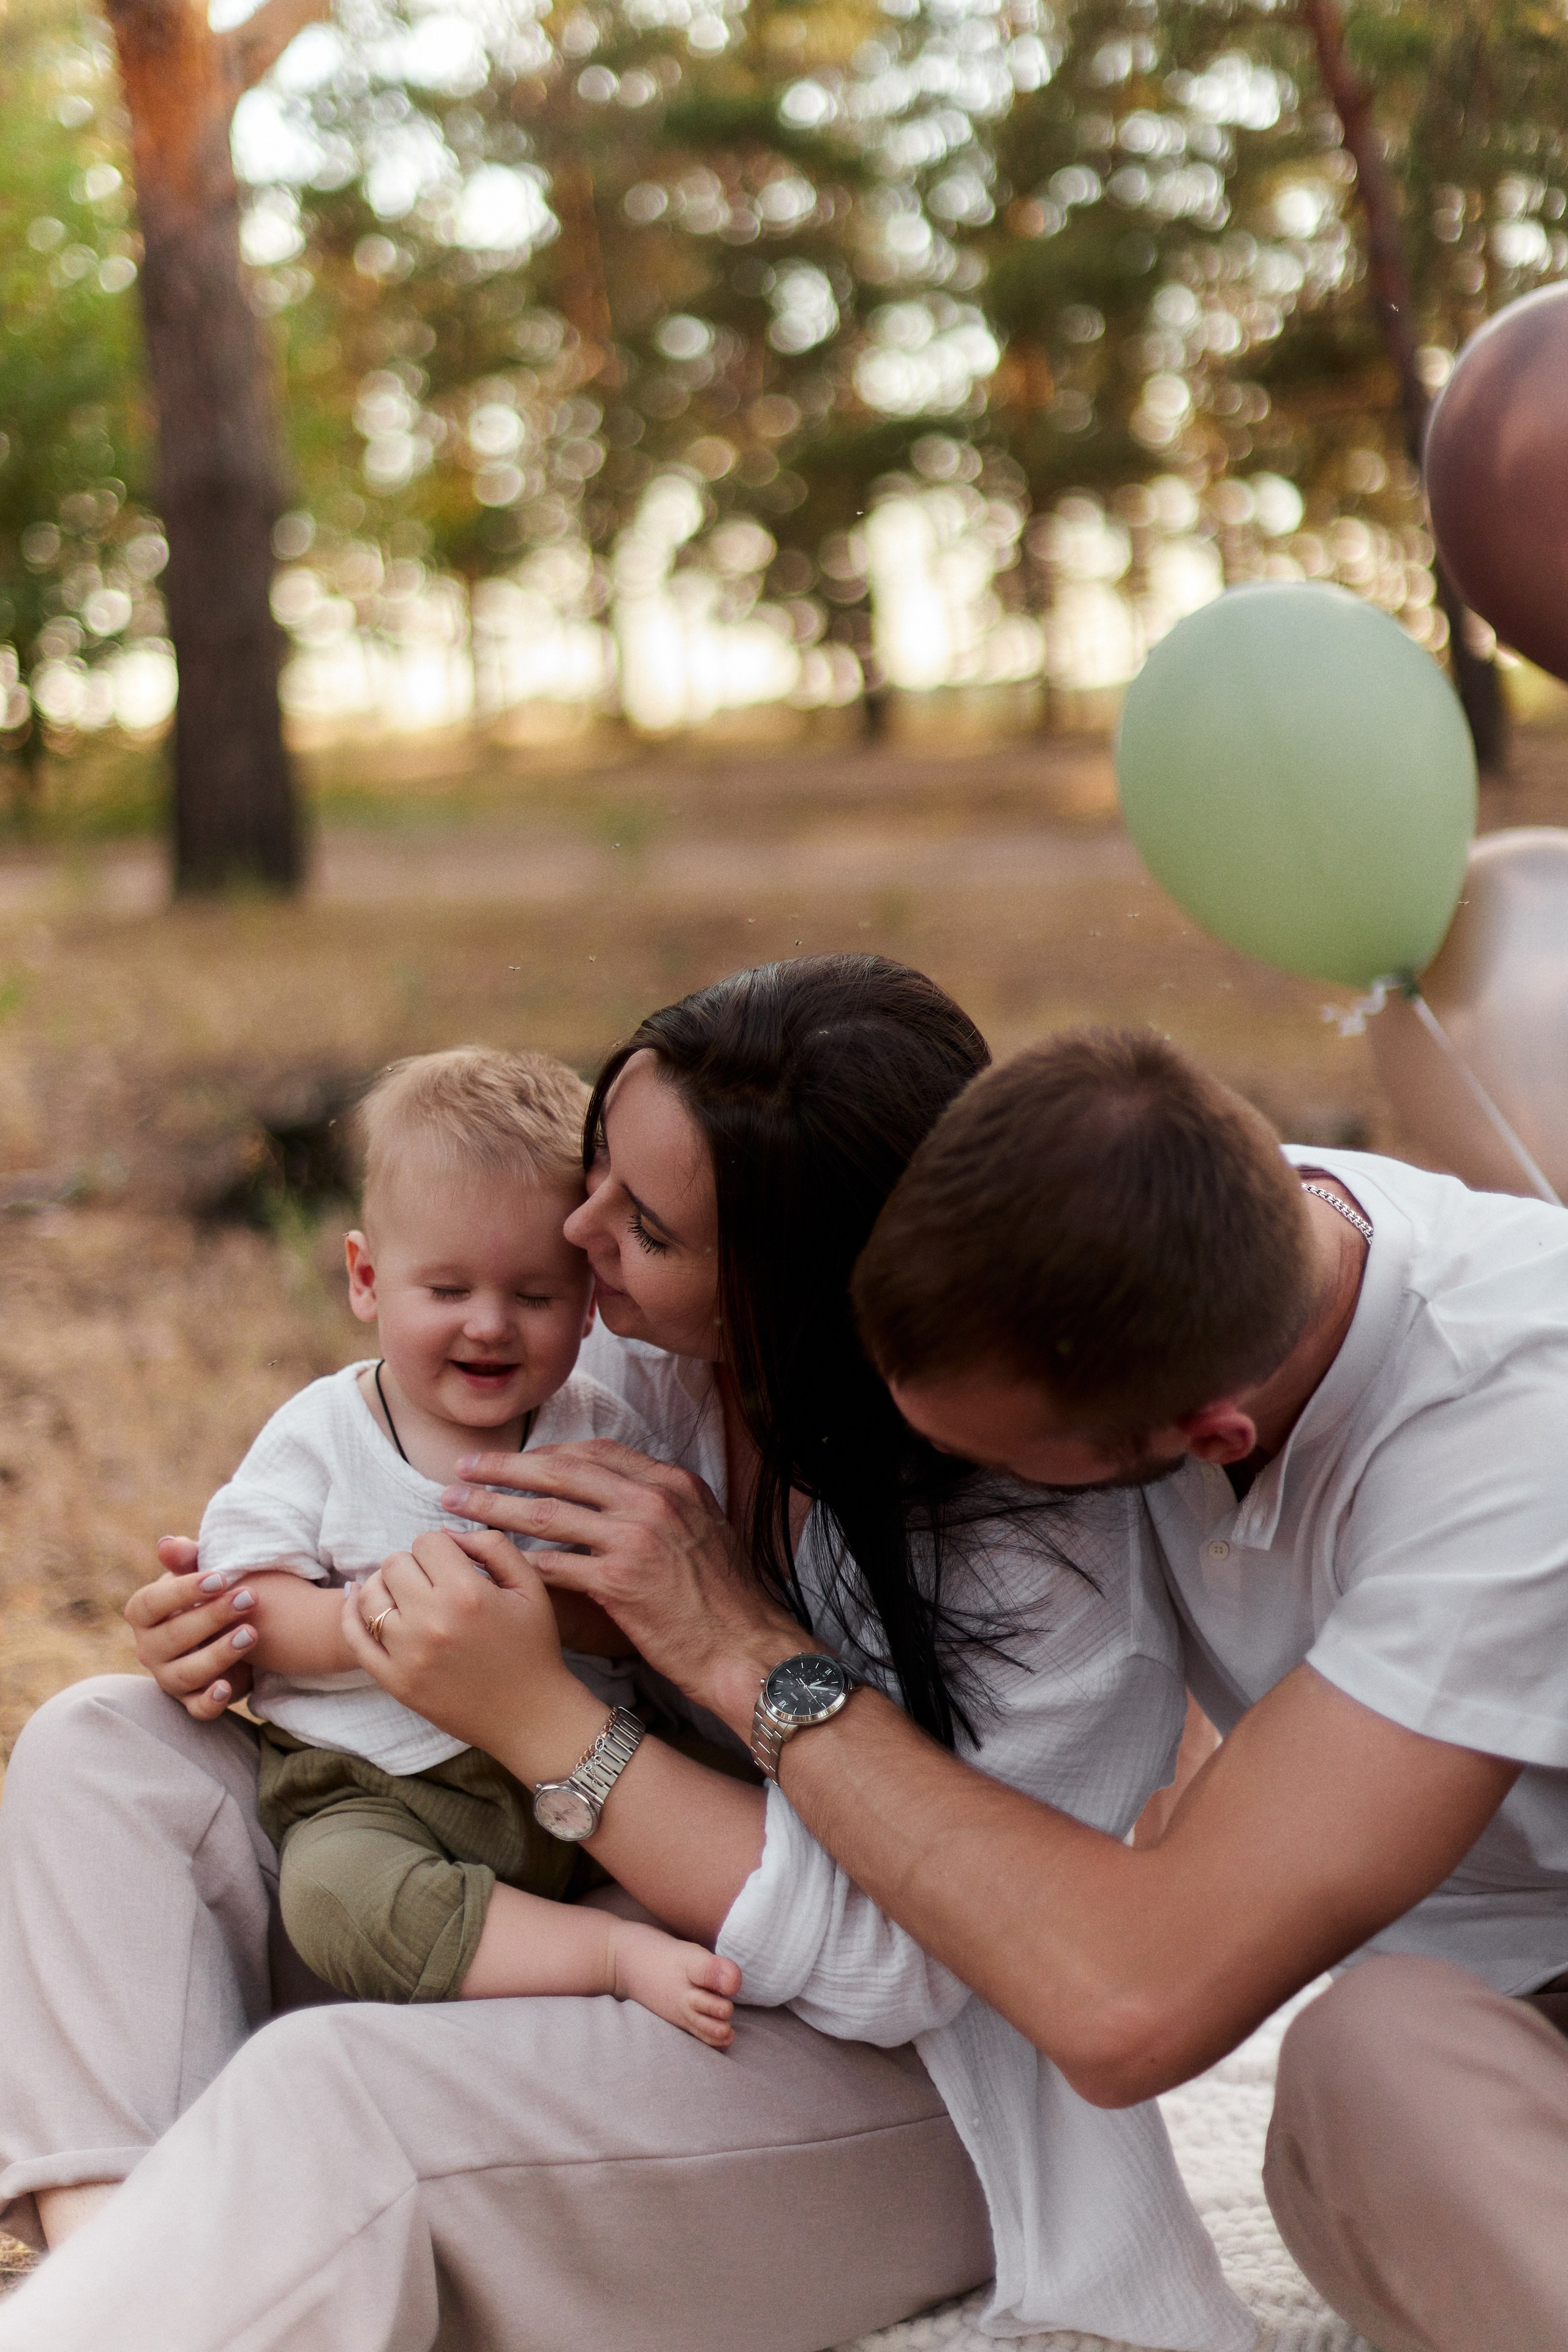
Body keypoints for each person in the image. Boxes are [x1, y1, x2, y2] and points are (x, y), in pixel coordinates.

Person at [0, 962, 1253, 2352]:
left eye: (641, 1225)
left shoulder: (1036, 1556)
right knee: (101, 1749)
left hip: (873, 2079)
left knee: (335, 2094)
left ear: (785, 1294)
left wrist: (553, 1718)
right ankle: (113, 2270)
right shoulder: (626, 1362)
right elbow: (388, 1539)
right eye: (597, 1173)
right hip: (527, 1889)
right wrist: (239, 1628)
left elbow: (903, 1970)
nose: (580, 1233)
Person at [481, 1022, 1561, 2352]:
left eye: (988, 1469)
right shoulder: (1146, 1224)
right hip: (1491, 1999)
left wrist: (747, 1655)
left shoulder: (1509, 1450)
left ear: (1199, 1439)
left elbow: (1131, 2005)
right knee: (1371, 2079)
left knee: (1371, 2062)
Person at [192, 1042, 737, 2041]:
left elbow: (653, 1617)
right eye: (446, 1292)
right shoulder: (326, 1432)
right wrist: (372, 1621)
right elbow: (246, 1599)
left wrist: (555, 1621)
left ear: (587, 1298)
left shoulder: (603, 1430)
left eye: (534, 1297)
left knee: (741, 1796)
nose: (489, 1325)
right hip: (381, 1789)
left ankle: (568, 1930)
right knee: (337, 1897)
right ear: (365, 1277)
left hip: (578, 1777)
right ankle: (604, 1955)